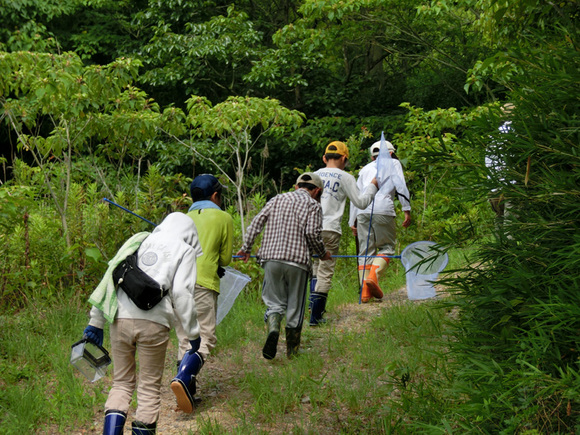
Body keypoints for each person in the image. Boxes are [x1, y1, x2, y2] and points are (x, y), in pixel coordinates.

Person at [83, 212, 203, 435]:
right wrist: (193, 334)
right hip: (154, 323)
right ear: (190, 235)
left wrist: (96, 321)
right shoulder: (184, 250)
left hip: (120, 318)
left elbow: (110, 275)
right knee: (148, 388)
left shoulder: (139, 240)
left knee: (121, 383)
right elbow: (181, 294)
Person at [236, 172, 331, 359]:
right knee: (295, 306)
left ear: (297, 186)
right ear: (317, 191)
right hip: (297, 262)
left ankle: (273, 327)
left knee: (274, 302)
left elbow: (256, 223)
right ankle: (292, 352)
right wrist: (322, 253)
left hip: (271, 259)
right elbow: (312, 233)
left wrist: (246, 248)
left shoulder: (277, 199)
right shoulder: (313, 205)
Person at [174, 174, 233, 397]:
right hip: (204, 282)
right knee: (205, 338)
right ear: (216, 195)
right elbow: (226, 259)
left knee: (184, 337)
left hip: (177, 282)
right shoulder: (223, 217)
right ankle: (183, 377)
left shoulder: (182, 218)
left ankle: (187, 394)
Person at [311, 141, 378, 325]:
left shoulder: (313, 175)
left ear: (325, 158)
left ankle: (312, 309)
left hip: (309, 228)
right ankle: (315, 318)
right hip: (330, 229)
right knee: (325, 271)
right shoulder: (345, 177)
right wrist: (373, 185)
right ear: (343, 158)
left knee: (315, 268)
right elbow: (361, 203)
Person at [349, 140, 411, 302]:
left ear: (372, 157)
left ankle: (365, 293)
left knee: (365, 251)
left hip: (362, 211)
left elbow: (356, 195)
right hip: (383, 209)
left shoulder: (364, 170)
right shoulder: (394, 163)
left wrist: (352, 220)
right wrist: (406, 209)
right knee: (387, 248)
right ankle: (373, 277)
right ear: (390, 153)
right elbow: (401, 186)